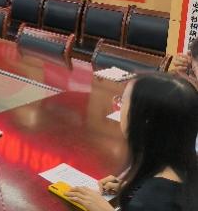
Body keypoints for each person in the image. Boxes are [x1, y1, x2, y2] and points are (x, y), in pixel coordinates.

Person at [65, 73, 198, 211]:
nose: (119, 106)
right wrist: (134, 186)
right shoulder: (185, 165)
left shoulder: (150, 202)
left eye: (122, 101)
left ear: (144, 121)